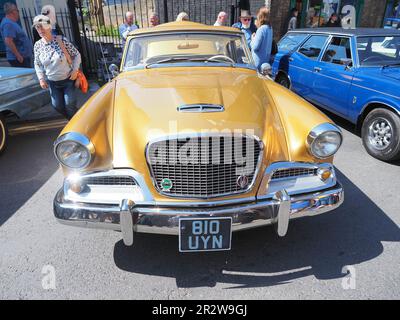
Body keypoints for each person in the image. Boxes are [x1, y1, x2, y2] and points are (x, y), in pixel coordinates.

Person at [33, 15, 81, 120]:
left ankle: (76, 124)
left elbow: (76, 54)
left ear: (49, 27)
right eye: (37, 27)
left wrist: (75, 70)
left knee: (69, 104)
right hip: (53, 83)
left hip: (68, 80)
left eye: (42, 26)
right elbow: (37, 63)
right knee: (57, 106)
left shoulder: (61, 40)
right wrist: (41, 78)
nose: (40, 29)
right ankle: (77, 120)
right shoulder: (37, 45)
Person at [0, 2, 33, 68]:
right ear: (13, 12)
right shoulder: (8, 24)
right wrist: (18, 55)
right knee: (25, 77)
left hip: (22, 57)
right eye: (17, 10)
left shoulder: (11, 22)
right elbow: (8, 40)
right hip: (19, 59)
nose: (18, 12)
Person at [251, 7, 273, 72]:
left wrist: (253, 38)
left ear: (260, 16)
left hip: (257, 62)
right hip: (266, 61)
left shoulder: (261, 29)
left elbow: (255, 47)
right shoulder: (270, 28)